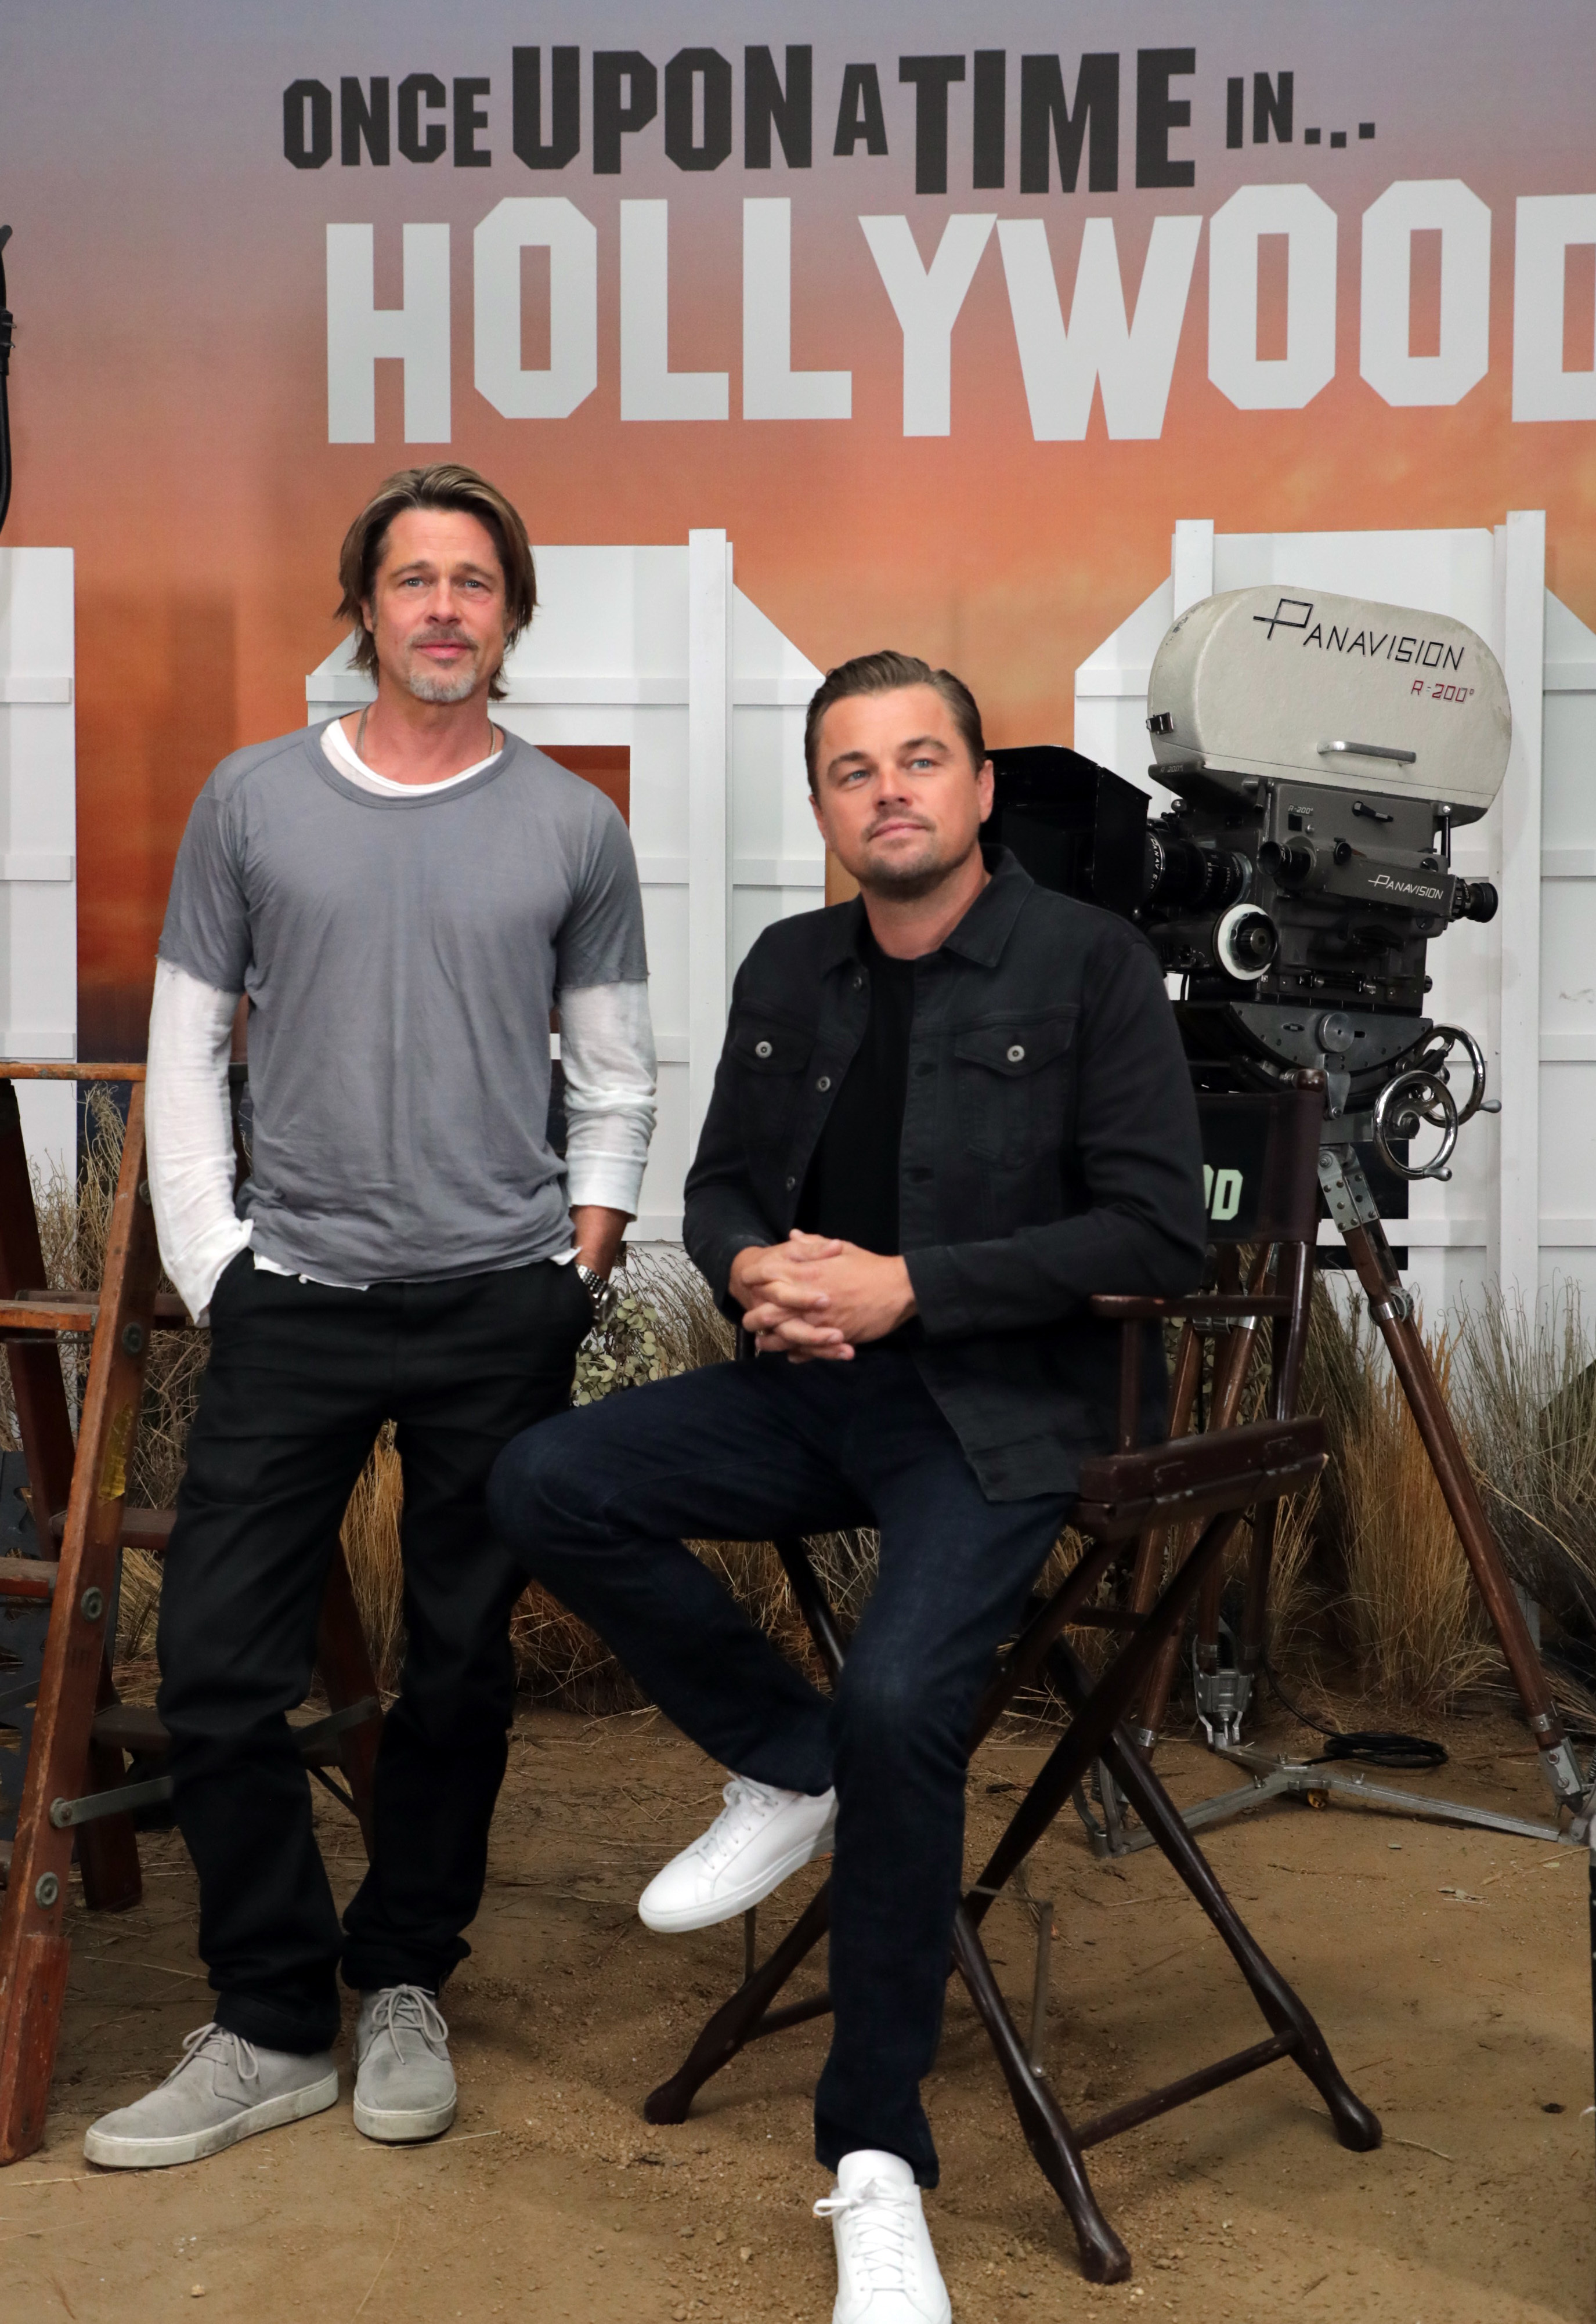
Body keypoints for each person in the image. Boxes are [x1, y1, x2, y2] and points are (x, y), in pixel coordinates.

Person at [486, 650, 1205, 2322]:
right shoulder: (792, 964)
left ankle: (875, 2160)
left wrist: (909, 1287)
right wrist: (758, 1275)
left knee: (903, 1703)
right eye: (852, 770)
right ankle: (785, 1762)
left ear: (976, 789)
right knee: (545, 1479)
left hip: (1001, 1410)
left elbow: (1163, 1230)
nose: (890, 790)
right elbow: (726, 1179)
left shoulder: (1090, 963)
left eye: (921, 760)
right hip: (810, 1381)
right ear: (824, 808)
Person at [84, 464, 656, 2170]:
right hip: (301, 1301)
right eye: (411, 579)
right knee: (208, 1671)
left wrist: (589, 1258)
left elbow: (614, 1071)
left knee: (459, 1675)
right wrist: (219, 1260)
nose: (442, 609)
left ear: (513, 614)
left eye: (474, 582)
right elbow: (184, 1047)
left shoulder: (573, 825)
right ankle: (271, 2019)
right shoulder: (253, 802)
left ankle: (403, 1974)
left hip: (501, 1308)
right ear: (364, 607)